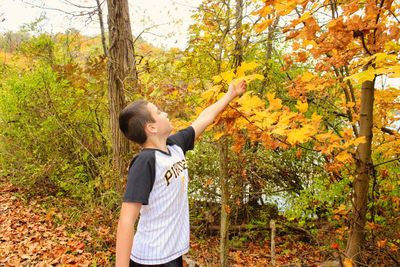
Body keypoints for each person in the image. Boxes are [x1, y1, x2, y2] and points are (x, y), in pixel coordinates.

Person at [115, 79, 247, 267]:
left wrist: (230, 95)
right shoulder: (145, 162)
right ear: (151, 128)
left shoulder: (175, 146)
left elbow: (204, 119)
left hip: (172, 253)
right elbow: (126, 220)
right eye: (159, 112)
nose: (165, 113)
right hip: (151, 258)